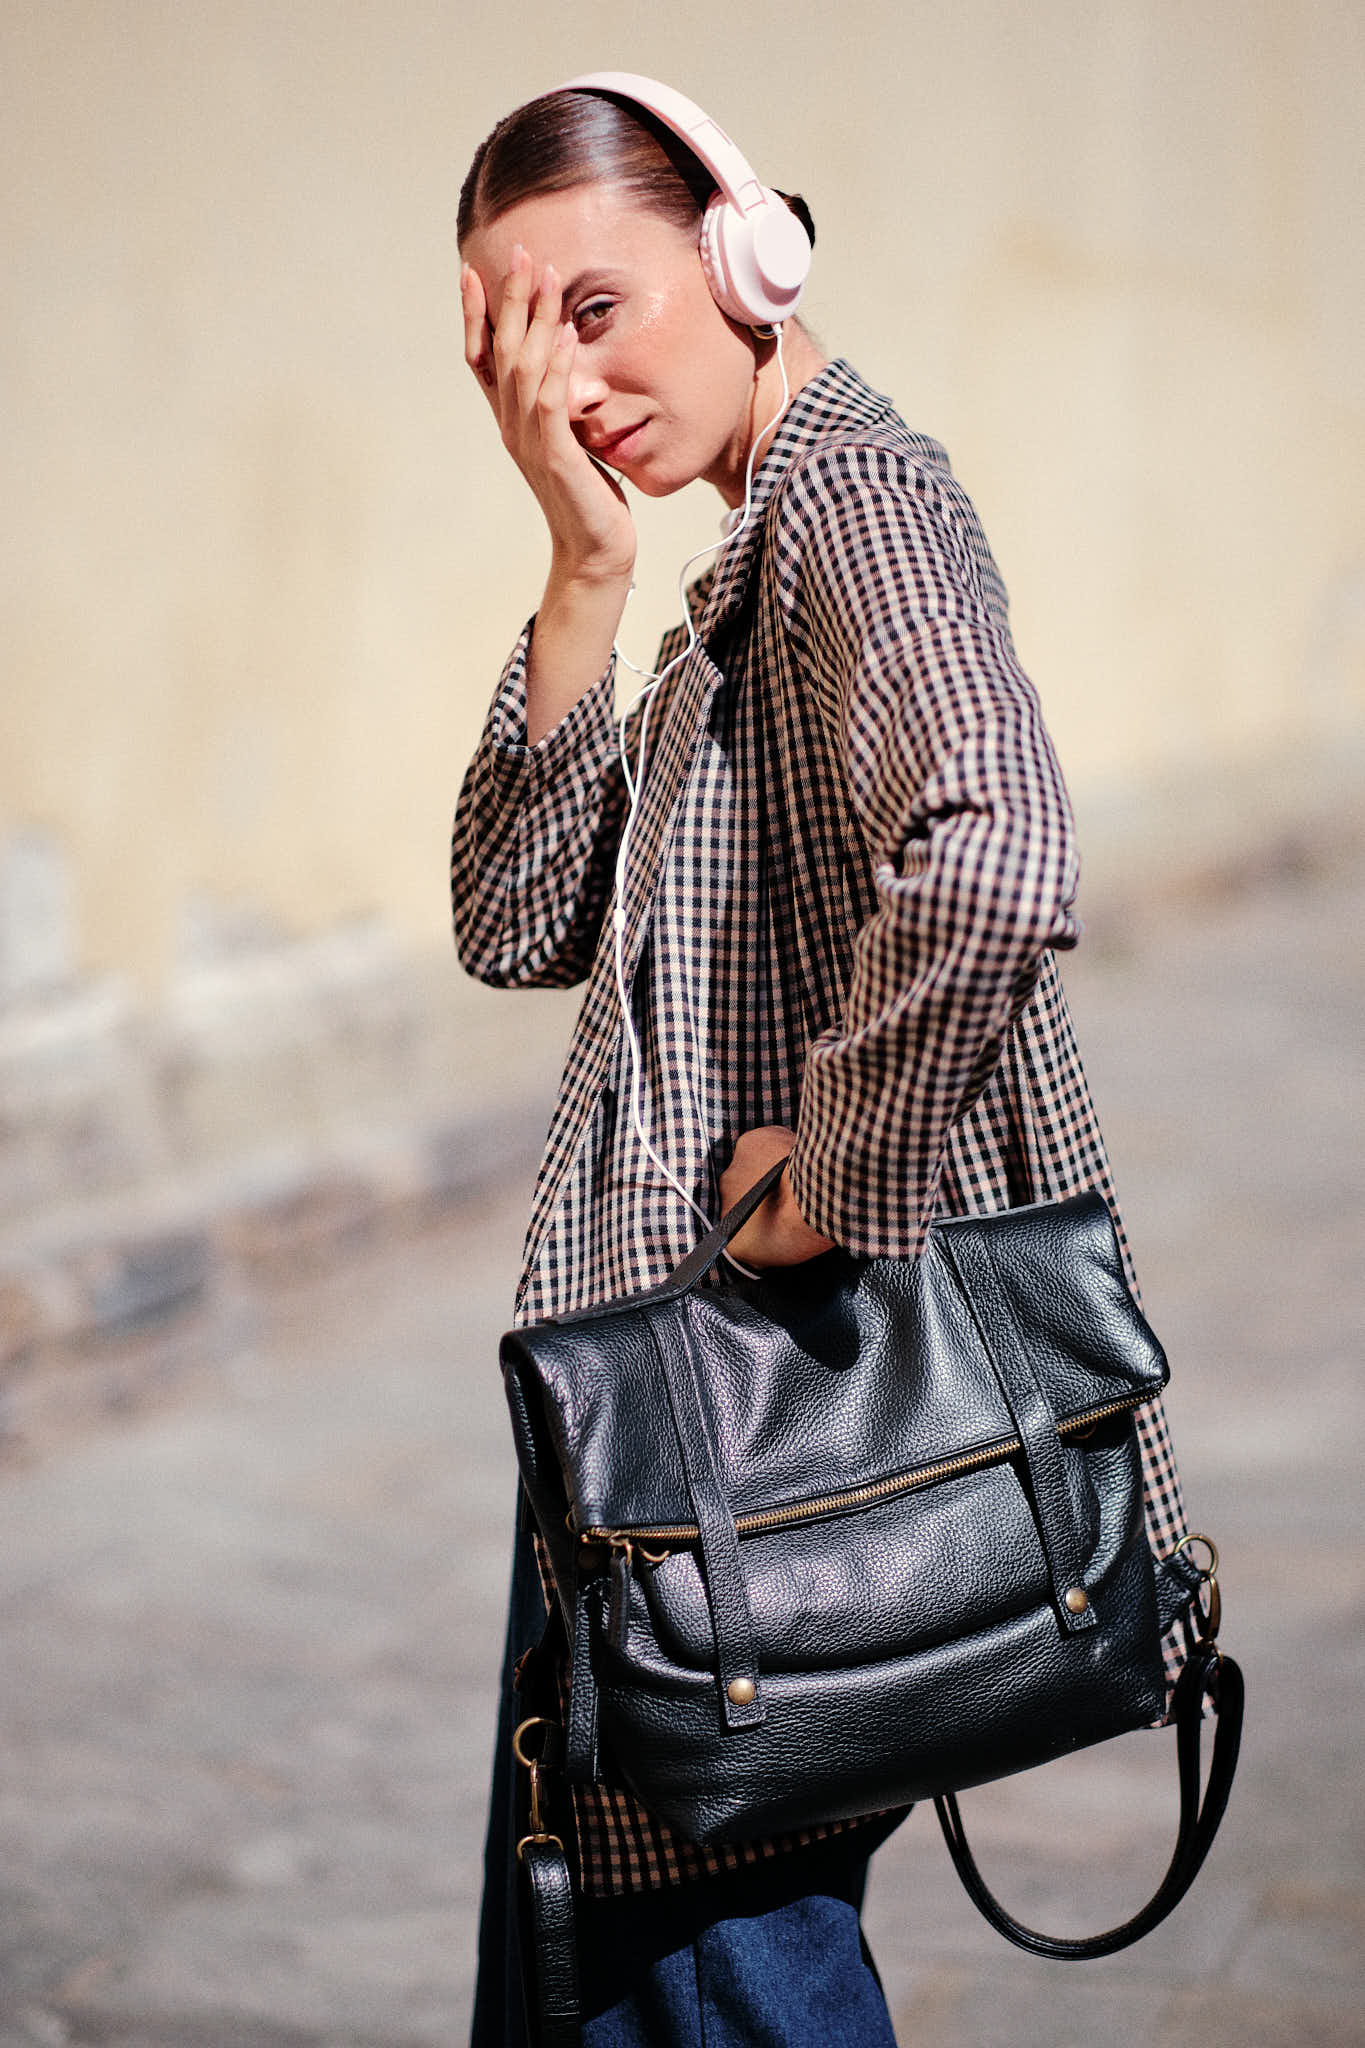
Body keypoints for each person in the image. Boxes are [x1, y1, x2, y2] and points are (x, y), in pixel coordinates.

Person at [452, 74, 1189, 2047]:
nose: (562, 386)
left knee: (694, 1974)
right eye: (511, 346)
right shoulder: (741, 563)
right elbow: (514, 920)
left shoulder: (856, 507)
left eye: (591, 309)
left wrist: (823, 1189)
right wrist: (582, 567)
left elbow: (997, 856)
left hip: (747, 1450)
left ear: (745, 254)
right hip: (678, 1433)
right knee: (613, 1962)